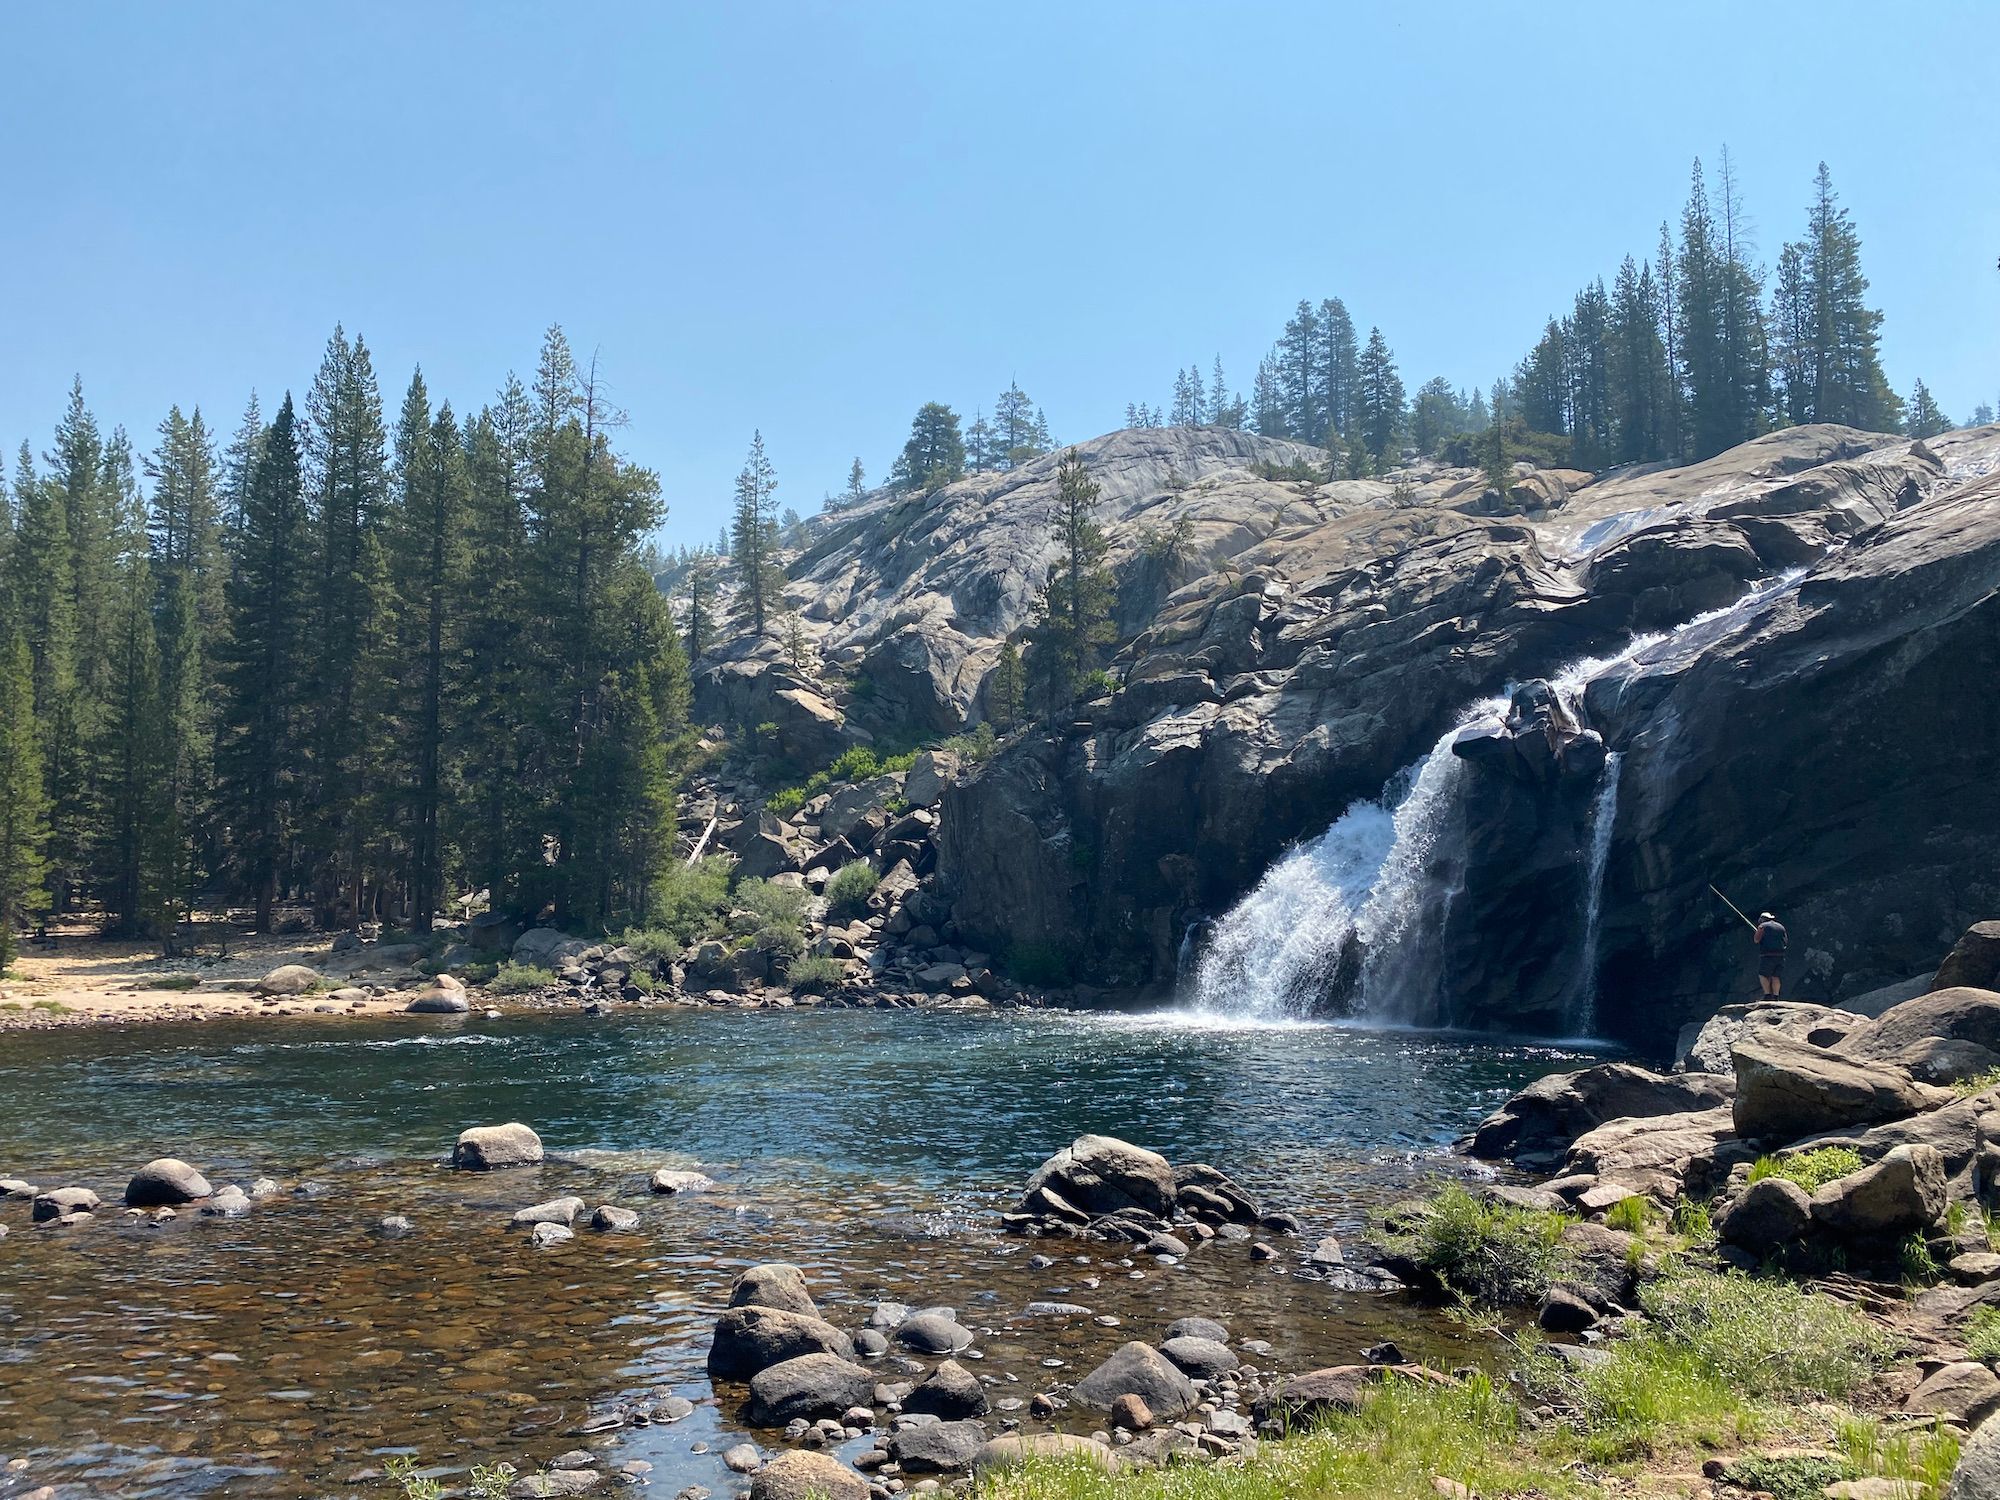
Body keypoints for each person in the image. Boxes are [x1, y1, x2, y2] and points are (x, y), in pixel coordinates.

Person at [1753, 911, 1787, 998]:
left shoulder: (1762, 926)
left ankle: (1767, 995)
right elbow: (1785, 941)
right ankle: (1776, 996)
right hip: (1780, 955)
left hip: (1767, 955)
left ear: (1762, 919)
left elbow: (1756, 940)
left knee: (1763, 975)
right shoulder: (1781, 927)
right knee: (1776, 976)